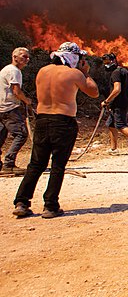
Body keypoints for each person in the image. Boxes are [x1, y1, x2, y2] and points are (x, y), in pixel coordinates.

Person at [12, 42, 99, 218]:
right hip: (63, 122)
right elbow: (94, 92)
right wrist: (85, 72)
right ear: (74, 58)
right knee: (58, 165)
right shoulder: (74, 74)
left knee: (36, 164)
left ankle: (21, 202)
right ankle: (50, 206)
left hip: (42, 121)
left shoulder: (43, 71)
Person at [0, 47, 33, 175]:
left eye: (28, 57)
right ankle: (9, 164)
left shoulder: (6, 69)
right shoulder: (15, 71)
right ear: (15, 57)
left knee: (1, 136)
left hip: (1, 108)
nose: (27, 59)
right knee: (21, 134)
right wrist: (27, 101)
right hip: (9, 109)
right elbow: (16, 91)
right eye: (24, 57)